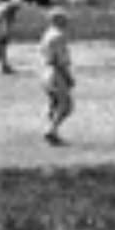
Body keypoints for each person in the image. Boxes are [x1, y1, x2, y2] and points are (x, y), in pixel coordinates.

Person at [38, 9, 73, 144]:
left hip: (45, 71)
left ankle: (52, 131)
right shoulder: (59, 36)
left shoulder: (46, 34)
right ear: (58, 20)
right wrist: (67, 76)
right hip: (55, 72)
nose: (67, 22)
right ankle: (51, 130)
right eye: (64, 19)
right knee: (66, 105)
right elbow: (59, 60)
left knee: (54, 103)